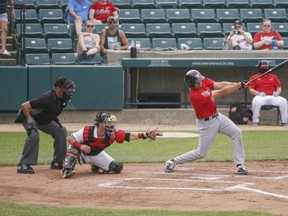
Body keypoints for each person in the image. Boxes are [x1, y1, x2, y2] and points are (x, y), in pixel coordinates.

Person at [164, 70, 248, 175]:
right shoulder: (196, 95)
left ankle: (240, 165)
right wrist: (238, 86)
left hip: (218, 117)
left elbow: (219, 85)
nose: (201, 82)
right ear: (191, 83)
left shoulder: (202, 81)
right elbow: (221, 92)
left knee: (236, 132)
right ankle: (173, 161)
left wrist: (237, 84)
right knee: (201, 153)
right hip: (207, 124)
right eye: (197, 81)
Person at [61, 112, 162, 178]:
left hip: (95, 154)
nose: (111, 125)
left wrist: (145, 135)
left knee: (116, 167)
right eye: (108, 122)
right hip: (82, 152)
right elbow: (69, 138)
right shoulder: (87, 131)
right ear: (100, 123)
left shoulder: (112, 134)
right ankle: (67, 170)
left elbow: (129, 136)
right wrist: (81, 146)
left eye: (111, 122)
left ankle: (95, 165)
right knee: (74, 149)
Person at [15, 77, 76, 174]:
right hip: (30, 117)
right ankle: (23, 164)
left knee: (61, 131)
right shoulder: (47, 98)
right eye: (67, 88)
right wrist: (30, 123)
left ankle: (57, 162)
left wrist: (54, 119)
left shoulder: (64, 98)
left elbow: (51, 110)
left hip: (43, 119)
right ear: (58, 88)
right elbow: (25, 106)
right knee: (34, 135)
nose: (69, 90)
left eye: (70, 88)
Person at [247, 60, 288, 126]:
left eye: (266, 67)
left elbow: (279, 87)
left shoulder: (274, 77)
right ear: (259, 67)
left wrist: (277, 93)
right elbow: (250, 89)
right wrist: (258, 93)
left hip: (273, 96)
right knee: (255, 101)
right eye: (262, 67)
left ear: (269, 67)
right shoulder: (254, 77)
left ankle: (284, 121)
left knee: (283, 101)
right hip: (261, 96)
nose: (264, 68)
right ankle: (255, 121)